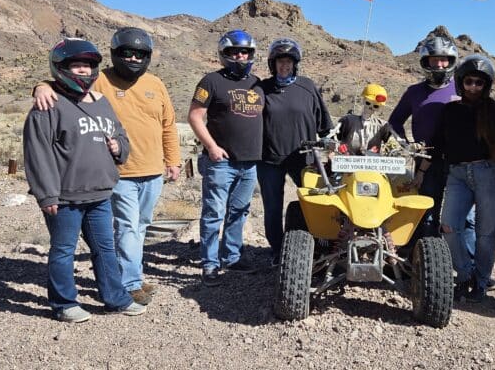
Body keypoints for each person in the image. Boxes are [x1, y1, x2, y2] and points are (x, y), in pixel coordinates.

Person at [33, 27, 181, 306]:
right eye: (128, 53)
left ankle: (129, 274)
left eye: (140, 54)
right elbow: (66, 80)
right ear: (115, 54)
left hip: (152, 170)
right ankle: (129, 284)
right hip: (118, 173)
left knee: (140, 226)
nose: (134, 59)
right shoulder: (99, 79)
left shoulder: (156, 84)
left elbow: (168, 125)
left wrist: (172, 160)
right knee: (126, 226)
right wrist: (40, 85)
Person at [23, 38, 146, 322]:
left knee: (105, 249)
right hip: (65, 196)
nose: (83, 71)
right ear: (62, 68)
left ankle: (116, 298)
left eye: (88, 66)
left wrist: (118, 147)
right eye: (77, 66)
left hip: (100, 193)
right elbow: (37, 153)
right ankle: (64, 303)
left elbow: (121, 136)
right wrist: (47, 194)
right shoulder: (49, 105)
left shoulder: (101, 102)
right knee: (63, 250)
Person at [418, 55, 495, 303]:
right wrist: (420, 172)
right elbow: (437, 144)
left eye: (479, 83)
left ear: (486, 84)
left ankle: (480, 282)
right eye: (469, 82)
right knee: (448, 225)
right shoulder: (450, 110)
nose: (474, 87)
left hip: (489, 173)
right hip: (457, 174)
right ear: (460, 82)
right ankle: (465, 274)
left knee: (486, 232)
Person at [188, 29, 265, 287]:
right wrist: (211, 146)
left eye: (244, 52)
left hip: (249, 162)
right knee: (214, 212)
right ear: (224, 54)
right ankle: (210, 264)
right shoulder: (211, 81)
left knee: (239, 212)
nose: (240, 56)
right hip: (221, 162)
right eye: (234, 52)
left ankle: (232, 256)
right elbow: (195, 116)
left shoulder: (257, 83)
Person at [389, 36, 476, 249]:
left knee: (466, 216)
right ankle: (423, 264)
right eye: (434, 60)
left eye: (444, 60)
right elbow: (395, 121)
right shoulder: (414, 92)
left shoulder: (462, 88)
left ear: (451, 61)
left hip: (460, 162)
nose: (439, 64)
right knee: (427, 213)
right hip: (426, 162)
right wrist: (407, 145)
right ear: (425, 62)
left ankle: (470, 269)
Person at [258, 38, 333, 265]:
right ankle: (279, 251)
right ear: (273, 64)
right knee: (272, 208)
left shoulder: (307, 86)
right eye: (280, 61)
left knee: (316, 204)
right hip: (269, 159)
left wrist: (330, 145)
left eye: (289, 61)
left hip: (304, 159)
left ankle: (319, 249)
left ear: (295, 63)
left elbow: (325, 125)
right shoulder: (263, 89)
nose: (285, 66)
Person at [334, 83, 395, 155]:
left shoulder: (382, 126)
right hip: (348, 162)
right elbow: (334, 138)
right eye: (368, 103)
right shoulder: (348, 121)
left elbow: (390, 144)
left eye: (375, 106)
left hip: (371, 164)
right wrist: (338, 147)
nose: (371, 107)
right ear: (363, 100)